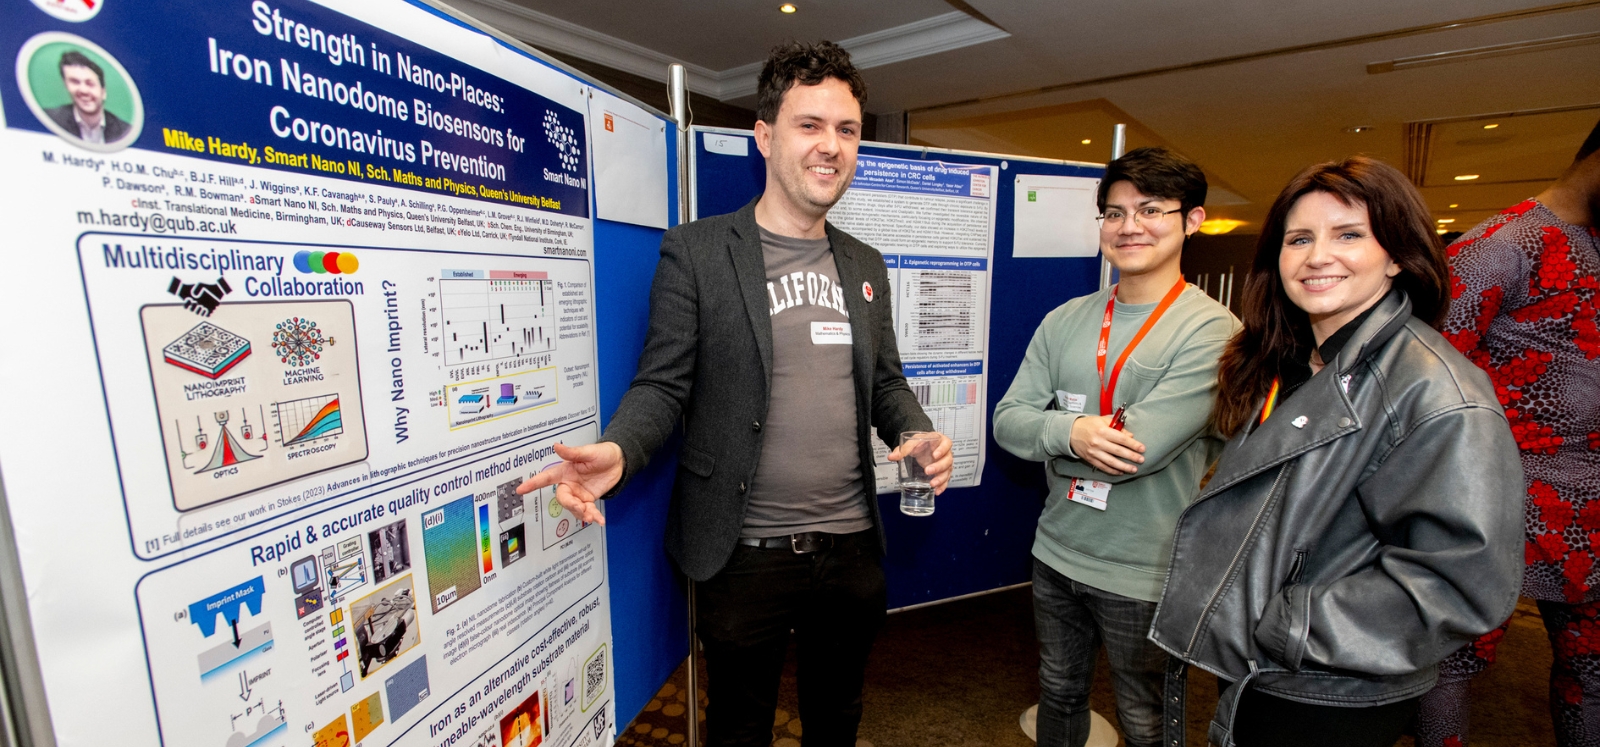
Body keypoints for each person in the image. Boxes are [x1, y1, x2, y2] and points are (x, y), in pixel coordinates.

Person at [515, 41, 952, 747]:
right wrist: (620, 448)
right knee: (740, 729)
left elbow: (885, 382)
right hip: (741, 551)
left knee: (837, 720)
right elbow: (663, 383)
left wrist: (917, 427)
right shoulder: (697, 252)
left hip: (849, 550)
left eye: (847, 130)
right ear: (765, 135)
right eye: (810, 125)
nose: (831, 146)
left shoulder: (864, 263)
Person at [1148, 156, 1524, 747]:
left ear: (1397, 255)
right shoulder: (1299, 363)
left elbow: (1463, 581)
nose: (1317, 255)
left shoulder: (1435, 391)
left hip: (1330, 688)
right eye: (1300, 238)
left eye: (1349, 234)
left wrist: (1284, 623)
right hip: (1268, 669)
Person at [993, 146, 1237, 747]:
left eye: (1150, 209)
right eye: (1114, 212)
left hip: (1146, 572)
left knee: (1147, 718)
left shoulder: (1215, 332)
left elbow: (1134, 453)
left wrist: (1045, 435)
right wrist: (1071, 432)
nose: (1129, 227)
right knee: (1059, 694)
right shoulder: (1065, 319)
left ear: (1193, 220)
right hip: (1056, 552)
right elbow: (1007, 423)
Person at [1416, 119, 1600, 747]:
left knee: (1592, 672)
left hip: (1590, 515)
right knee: (1447, 669)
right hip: (1499, 510)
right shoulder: (1501, 246)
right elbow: (1425, 380)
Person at [45, 51, 129, 144]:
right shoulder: (50, 119)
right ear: (66, 85)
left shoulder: (125, 131)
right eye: (75, 82)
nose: (83, 90)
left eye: (90, 84)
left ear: (103, 92)